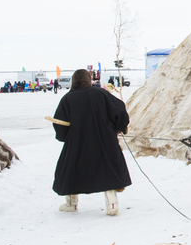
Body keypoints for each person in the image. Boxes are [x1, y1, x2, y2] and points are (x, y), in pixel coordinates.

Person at [52, 69, 132, 216]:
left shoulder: (68, 98)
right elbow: (119, 108)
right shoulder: (100, 93)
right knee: (107, 170)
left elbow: (60, 123)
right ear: (88, 79)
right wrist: (119, 127)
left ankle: (71, 203)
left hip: (77, 142)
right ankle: (112, 204)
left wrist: (64, 137)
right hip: (104, 140)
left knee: (70, 169)